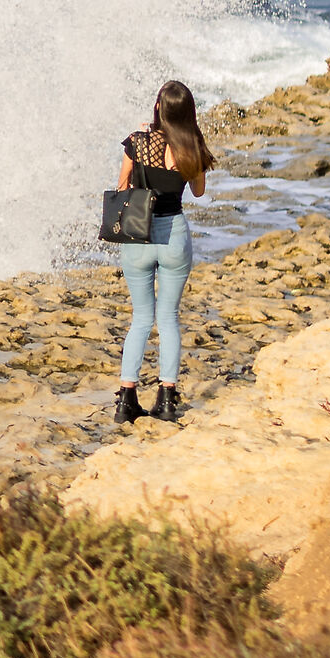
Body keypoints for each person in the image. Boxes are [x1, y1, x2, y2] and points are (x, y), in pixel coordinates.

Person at [113, 79, 212, 424]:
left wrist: (141, 152)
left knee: (140, 318)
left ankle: (126, 399)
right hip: (174, 236)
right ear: (188, 112)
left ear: (158, 108)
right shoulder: (193, 145)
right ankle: (167, 399)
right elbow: (198, 191)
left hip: (139, 238)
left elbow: (122, 186)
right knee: (168, 318)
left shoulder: (137, 142)